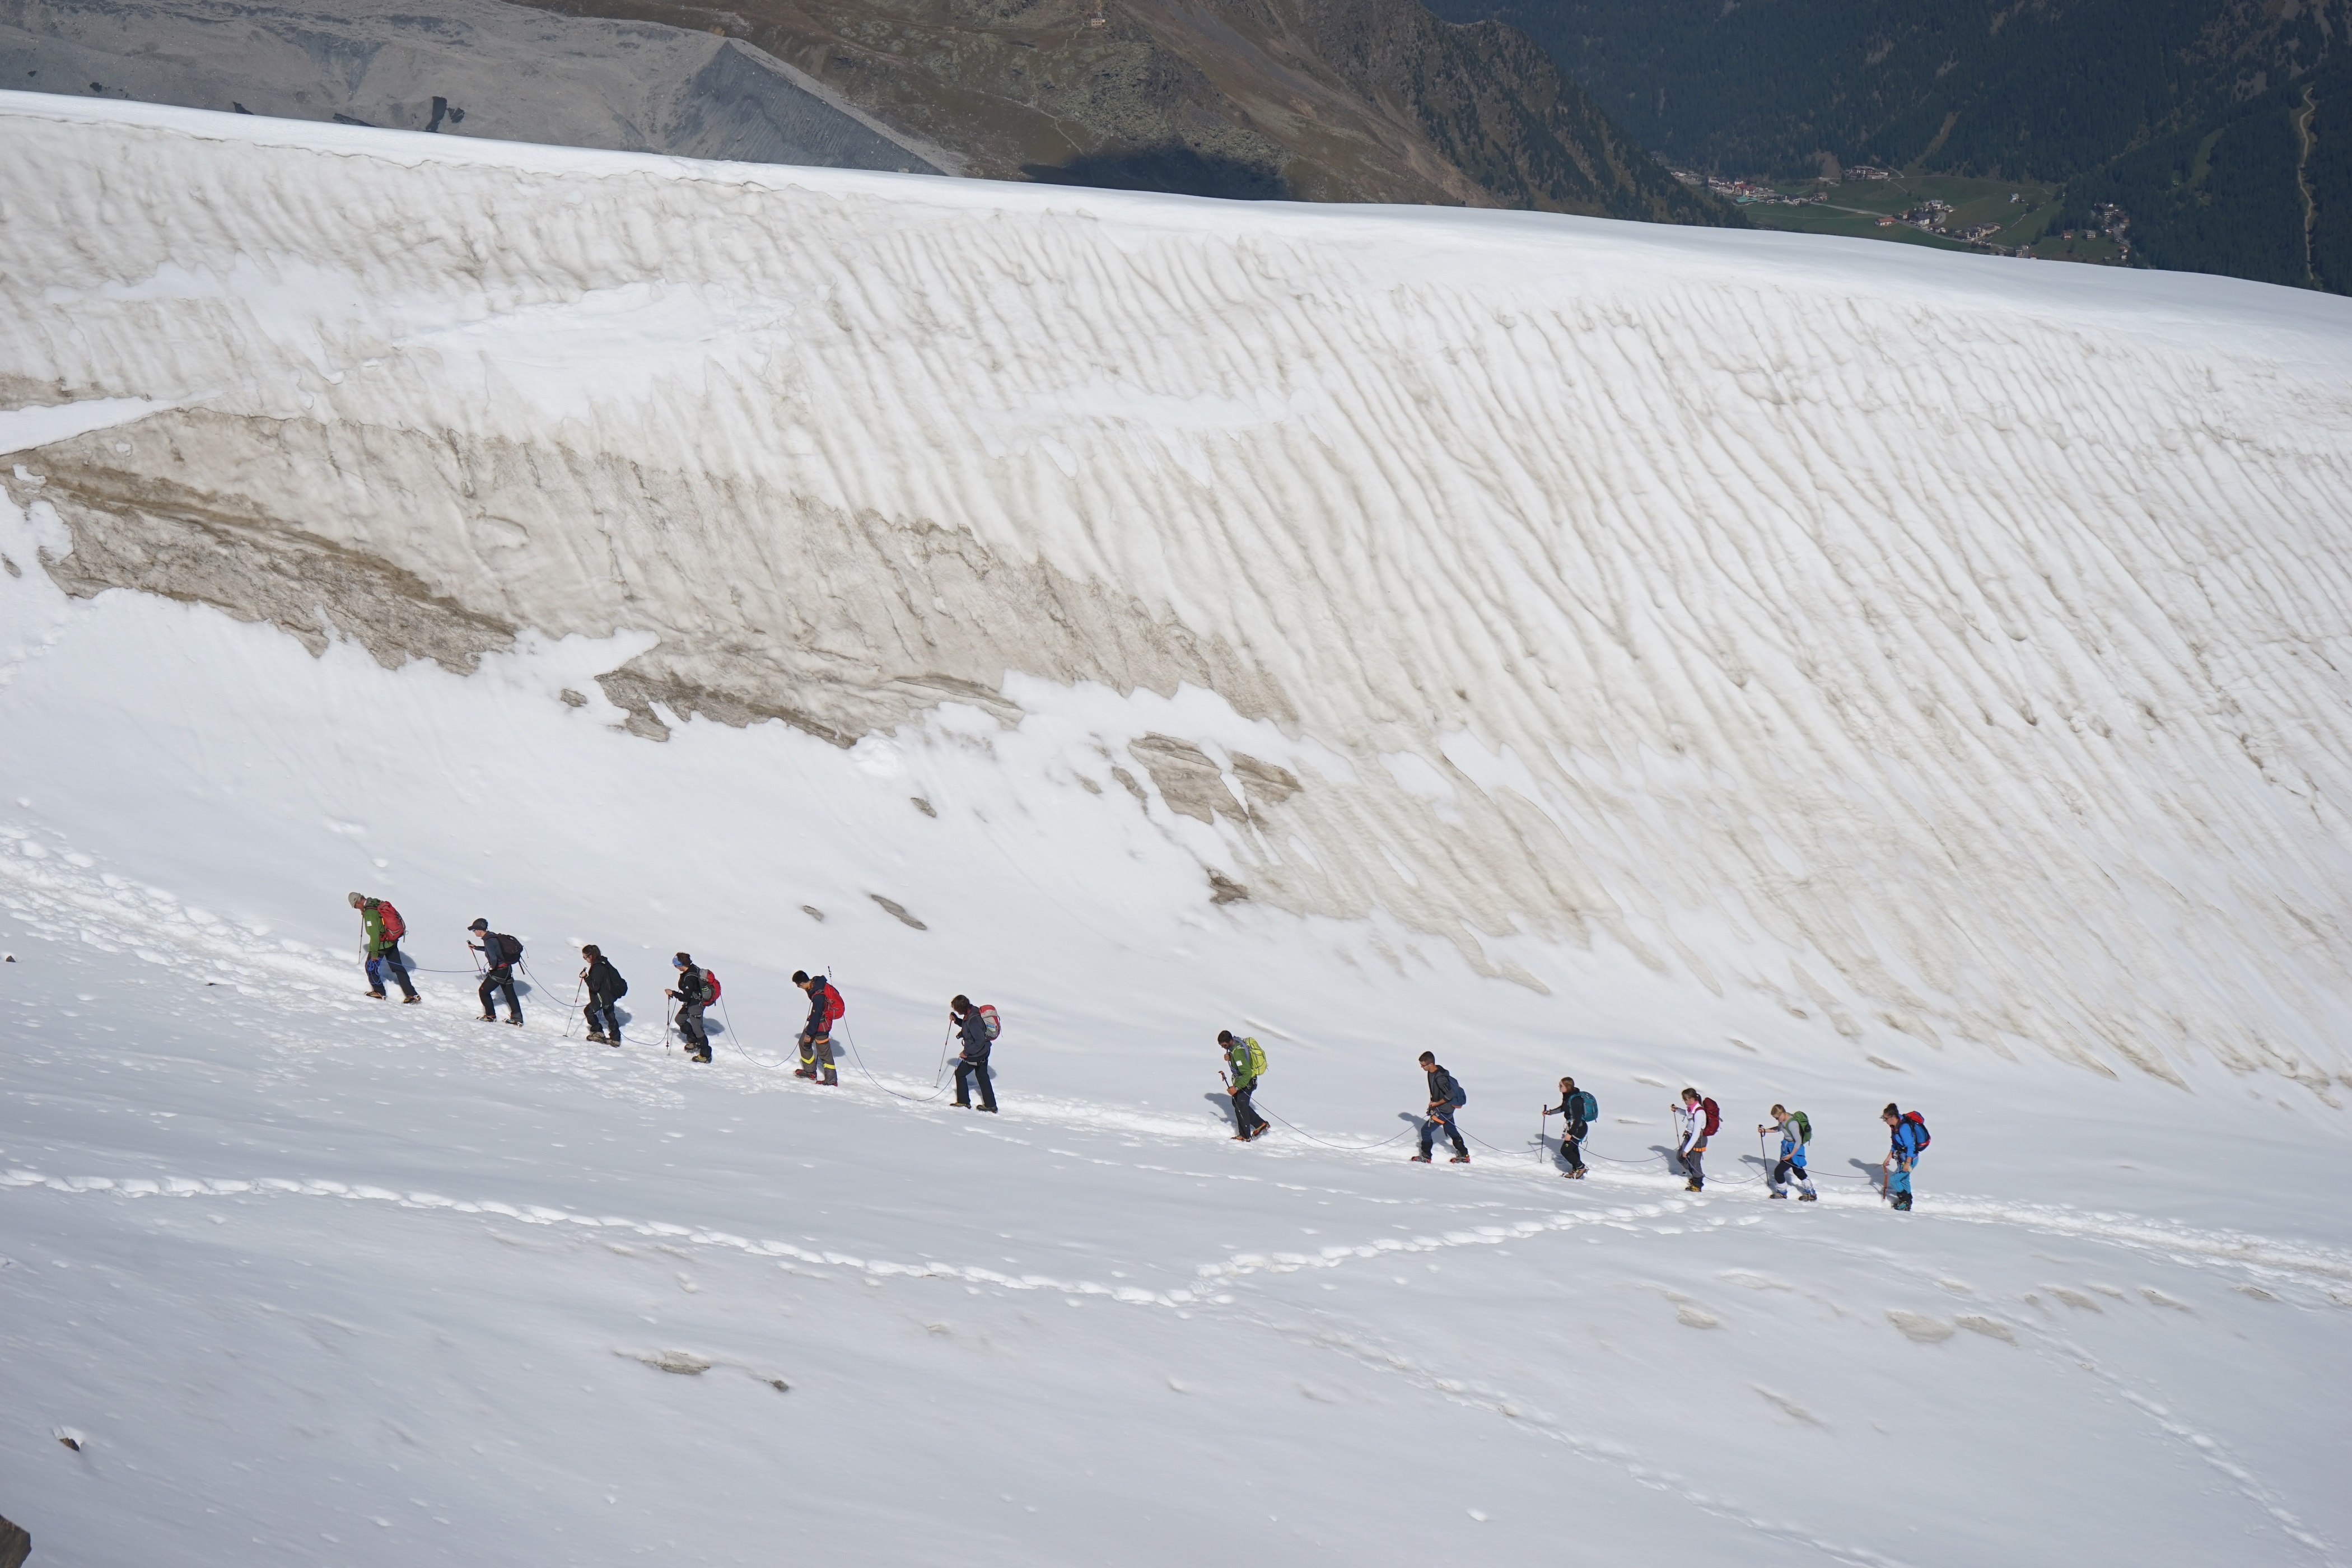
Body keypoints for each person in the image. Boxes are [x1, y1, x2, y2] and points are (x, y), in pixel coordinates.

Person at [348, 892, 419, 1003]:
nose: (356, 908)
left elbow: (375, 935)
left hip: (381, 943)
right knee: (398, 967)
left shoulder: (370, 913)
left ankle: (379, 992)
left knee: (370, 967)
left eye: (355, 906)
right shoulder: (375, 902)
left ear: (358, 902)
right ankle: (412, 994)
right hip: (391, 941)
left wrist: (375, 954)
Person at [1411, 1051, 1469, 1164]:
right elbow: (1437, 1092)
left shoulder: (1440, 1078)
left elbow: (1450, 1094)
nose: (1421, 1067)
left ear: (1431, 1064)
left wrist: (1437, 1104)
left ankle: (1426, 1156)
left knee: (1426, 1130)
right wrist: (1433, 1102)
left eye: (1423, 1065)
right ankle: (1464, 1155)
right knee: (1451, 1130)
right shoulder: (1433, 1072)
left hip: (1444, 1110)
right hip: (1444, 1109)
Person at [467, 918, 524, 1025]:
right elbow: (493, 950)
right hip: (507, 969)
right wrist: (477, 948)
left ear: (480, 930)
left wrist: (492, 967)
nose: (474, 932)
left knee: (483, 991)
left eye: (474, 930)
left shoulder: (489, 940)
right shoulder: (492, 936)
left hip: (499, 971)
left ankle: (490, 1016)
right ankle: (517, 1018)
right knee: (510, 994)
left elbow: (493, 957)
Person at [948, 995, 998, 1112]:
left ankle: (964, 1102)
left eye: (956, 1008)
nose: (955, 1010)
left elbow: (979, 1041)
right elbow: (968, 1026)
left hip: (977, 1054)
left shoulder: (973, 1019)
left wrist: (966, 1052)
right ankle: (991, 1105)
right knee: (982, 1076)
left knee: (960, 1073)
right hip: (984, 1051)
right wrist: (957, 1021)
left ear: (961, 1008)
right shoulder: (972, 1011)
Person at [1217, 1029, 1270, 1141]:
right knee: (1237, 1102)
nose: (1223, 1047)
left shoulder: (1238, 1053)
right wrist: (1230, 1057)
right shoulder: (1235, 1047)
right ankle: (1261, 1124)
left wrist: (1236, 1088)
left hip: (1247, 1082)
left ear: (1230, 1041)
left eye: (1224, 1045)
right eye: (1222, 1046)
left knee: (1241, 1106)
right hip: (1245, 1081)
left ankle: (1245, 1136)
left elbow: (1247, 1073)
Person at [794, 970, 843, 1085]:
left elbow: (817, 1014)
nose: (799, 987)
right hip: (817, 1022)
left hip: (822, 1025)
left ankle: (831, 1080)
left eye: (798, 985)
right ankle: (810, 1071)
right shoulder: (815, 985)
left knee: (824, 1053)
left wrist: (810, 1034)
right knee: (803, 1043)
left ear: (801, 983)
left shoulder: (818, 994)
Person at [1759, 1104, 1817, 1201]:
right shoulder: (1783, 1121)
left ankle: (1782, 1193)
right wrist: (1764, 1131)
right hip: (1788, 1149)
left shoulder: (1792, 1124)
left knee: (1779, 1171)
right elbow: (1778, 1128)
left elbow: (1798, 1141)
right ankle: (1811, 1193)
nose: (1777, 1120)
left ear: (1782, 1113)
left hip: (1795, 1150)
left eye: (1777, 1118)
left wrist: (1791, 1155)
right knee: (1798, 1171)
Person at [1544, 1076, 1594, 1178]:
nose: (1559, 1087)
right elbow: (1564, 1108)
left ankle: (1581, 1168)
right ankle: (1575, 1171)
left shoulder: (1576, 1100)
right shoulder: (1568, 1096)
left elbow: (1578, 1119)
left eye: (1561, 1085)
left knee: (1565, 1150)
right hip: (1575, 1127)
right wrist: (1550, 1112)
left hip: (1579, 1128)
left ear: (1567, 1086)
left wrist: (1570, 1134)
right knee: (1573, 1149)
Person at [1882, 1103, 1927, 1211]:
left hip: (1910, 1160)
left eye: (1886, 1118)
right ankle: (1907, 1203)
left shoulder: (1904, 1128)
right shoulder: (1895, 1127)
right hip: (1902, 1158)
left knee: (1894, 1180)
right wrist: (1889, 1156)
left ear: (1893, 1117)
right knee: (1905, 1180)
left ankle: (1905, 1201)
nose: (1885, 1121)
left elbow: (1910, 1146)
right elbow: (1895, 1143)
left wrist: (1907, 1164)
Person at [667, 954, 711, 1063]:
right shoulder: (693, 968)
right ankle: (694, 1042)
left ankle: (706, 1055)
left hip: (696, 1005)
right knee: (680, 1020)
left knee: (698, 1031)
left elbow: (685, 997)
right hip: (691, 1002)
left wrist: (673, 993)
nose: (675, 967)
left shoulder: (689, 978)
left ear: (681, 965)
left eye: (676, 965)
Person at [581, 944, 627, 1046]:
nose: (585, 959)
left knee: (588, 1012)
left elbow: (595, 986)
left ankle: (598, 1032)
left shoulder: (597, 968)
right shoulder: (603, 962)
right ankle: (616, 1038)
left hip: (602, 997)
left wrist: (586, 977)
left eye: (585, 957)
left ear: (591, 956)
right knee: (610, 1016)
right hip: (609, 996)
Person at [1672, 1087, 1710, 1191]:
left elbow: (1697, 1133)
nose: (1684, 1101)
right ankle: (1696, 1175)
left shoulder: (1699, 1113)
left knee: (1694, 1162)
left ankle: (1697, 1184)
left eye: (1685, 1100)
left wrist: (1687, 1150)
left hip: (1698, 1140)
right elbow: (1688, 1115)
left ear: (1692, 1099)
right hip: (1689, 1137)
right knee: (1680, 1156)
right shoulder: (1691, 1109)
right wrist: (1678, 1110)